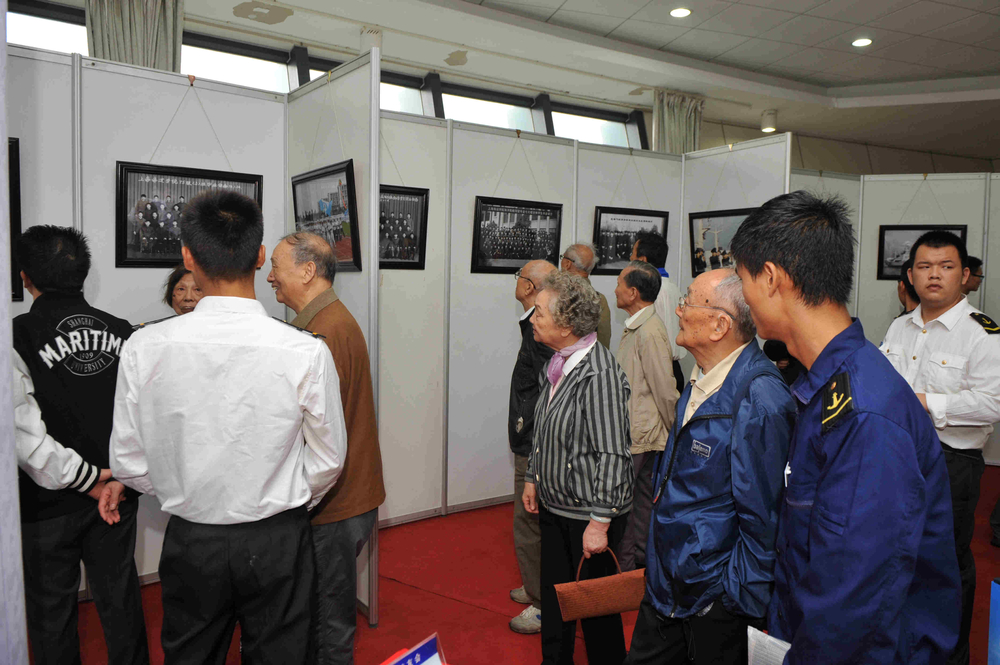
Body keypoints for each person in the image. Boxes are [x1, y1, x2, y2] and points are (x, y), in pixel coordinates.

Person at [105, 190, 348, 664]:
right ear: (259, 256)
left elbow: (128, 462)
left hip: (192, 537)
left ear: (188, 257)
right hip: (278, 536)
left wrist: (185, 490)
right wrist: (288, 500)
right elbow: (328, 458)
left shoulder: (143, 346)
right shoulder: (304, 350)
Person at [730, 191, 961, 664]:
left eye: (742, 278)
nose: (742, 296)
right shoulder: (830, 384)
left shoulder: (864, 413)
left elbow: (854, 601)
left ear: (771, 278)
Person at [625, 268, 794, 665]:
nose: (678, 310)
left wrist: (731, 601)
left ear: (720, 325)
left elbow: (764, 519)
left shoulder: (759, 397)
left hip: (712, 599)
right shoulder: (702, 375)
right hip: (668, 580)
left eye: (687, 302)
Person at [11, 225, 149, 665]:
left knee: (52, 614)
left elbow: (24, 437)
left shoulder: (16, 336)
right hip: (115, 492)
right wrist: (110, 479)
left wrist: (89, 480)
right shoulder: (123, 331)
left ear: (25, 277)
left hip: (52, 503)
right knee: (120, 599)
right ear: (83, 273)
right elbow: (144, 417)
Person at [880, 231, 1000, 665]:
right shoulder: (900, 326)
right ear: (910, 276)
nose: (934, 275)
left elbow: (992, 404)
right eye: (924, 267)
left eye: (946, 267)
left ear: (965, 275)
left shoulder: (982, 333)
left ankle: (950, 653)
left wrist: (925, 403)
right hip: (896, 456)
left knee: (946, 561)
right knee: (897, 552)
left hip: (952, 463)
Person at [267, 232, 386, 664]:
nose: (269, 277)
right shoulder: (324, 322)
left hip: (334, 504)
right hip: (345, 498)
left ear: (307, 271)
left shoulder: (322, 332)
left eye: (275, 267)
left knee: (326, 620)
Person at [522, 272, 633, 665]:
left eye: (539, 312)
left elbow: (614, 454)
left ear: (566, 326)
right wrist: (533, 476)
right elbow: (545, 426)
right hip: (557, 508)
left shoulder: (599, 375)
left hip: (589, 516)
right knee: (555, 603)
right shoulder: (560, 361)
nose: (532, 318)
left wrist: (600, 523)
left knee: (597, 615)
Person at [612, 260, 677, 572]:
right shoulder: (638, 326)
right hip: (640, 433)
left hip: (642, 436)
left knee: (624, 508)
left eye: (619, 284)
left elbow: (665, 389)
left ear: (633, 293)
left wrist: (676, 434)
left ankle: (627, 572)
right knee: (639, 505)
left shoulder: (648, 331)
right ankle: (639, 568)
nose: (615, 290)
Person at [507, 259, 558, 634]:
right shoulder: (534, 323)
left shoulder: (541, 330)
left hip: (535, 443)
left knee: (528, 522)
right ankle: (534, 584)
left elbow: (545, 389)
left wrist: (530, 433)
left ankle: (542, 603)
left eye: (519, 276)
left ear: (529, 287)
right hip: (532, 437)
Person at [631, 231, 686, 394]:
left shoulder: (650, 294)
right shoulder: (674, 289)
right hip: (674, 370)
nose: (629, 259)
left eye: (632, 254)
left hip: (656, 373)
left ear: (642, 260)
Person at [559, 243, 611, 349]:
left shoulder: (554, 295)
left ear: (567, 264)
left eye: (562, 257)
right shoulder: (600, 300)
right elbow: (603, 341)